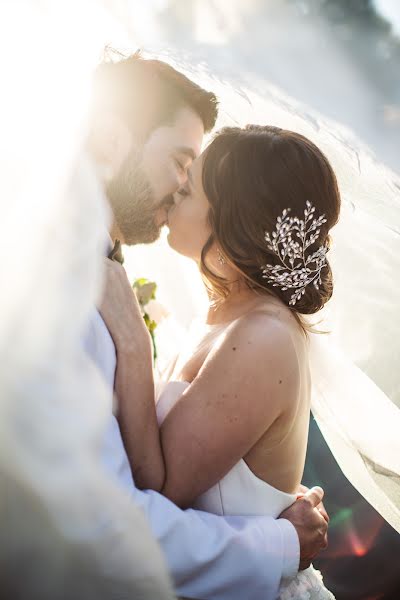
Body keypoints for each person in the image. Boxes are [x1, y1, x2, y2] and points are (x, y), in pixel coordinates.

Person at [85, 52, 329, 599]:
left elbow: (163, 488)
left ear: (230, 216)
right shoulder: (222, 315)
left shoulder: (263, 336)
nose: (175, 192)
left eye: (191, 184)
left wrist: (130, 343)